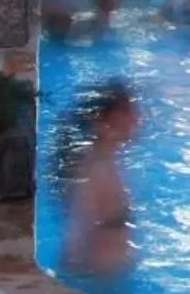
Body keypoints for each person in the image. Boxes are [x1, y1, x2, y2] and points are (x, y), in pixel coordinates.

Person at [60, 79, 140, 280]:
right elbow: (76, 239)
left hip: (113, 278)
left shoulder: (107, 161)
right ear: (105, 119)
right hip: (101, 281)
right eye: (127, 111)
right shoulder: (95, 172)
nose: (136, 117)